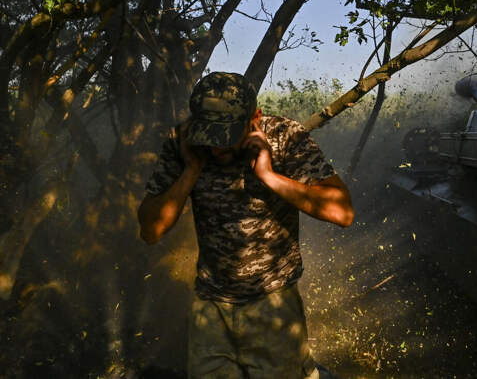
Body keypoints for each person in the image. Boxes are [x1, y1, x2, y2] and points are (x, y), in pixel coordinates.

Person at [137, 72, 354, 379]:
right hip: (211, 305)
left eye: (227, 136)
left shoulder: (284, 135)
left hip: (273, 301)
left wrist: (269, 176)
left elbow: (342, 213)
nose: (217, 149)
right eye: (210, 136)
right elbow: (150, 230)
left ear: (255, 118)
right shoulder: (184, 141)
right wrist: (190, 171)